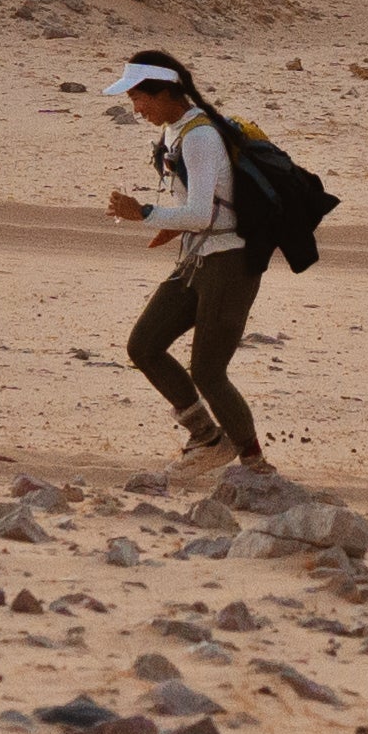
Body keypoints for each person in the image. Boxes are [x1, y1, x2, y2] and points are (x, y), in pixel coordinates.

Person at [100, 49, 267, 475]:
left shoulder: (200, 137)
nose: (135, 108)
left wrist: (145, 214)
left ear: (166, 93)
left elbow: (203, 214)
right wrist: (168, 227)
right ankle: (207, 437)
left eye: (140, 98)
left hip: (230, 261)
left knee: (210, 372)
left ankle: (254, 463)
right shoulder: (175, 131)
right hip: (198, 257)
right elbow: (199, 206)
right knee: (144, 345)